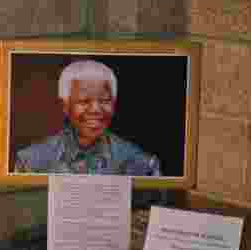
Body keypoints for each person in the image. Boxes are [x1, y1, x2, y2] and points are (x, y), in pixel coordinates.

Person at [13, 59, 161, 176]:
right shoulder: (31, 162)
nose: (96, 110)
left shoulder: (141, 164)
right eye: (84, 101)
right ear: (65, 106)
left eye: (104, 101)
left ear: (114, 104)